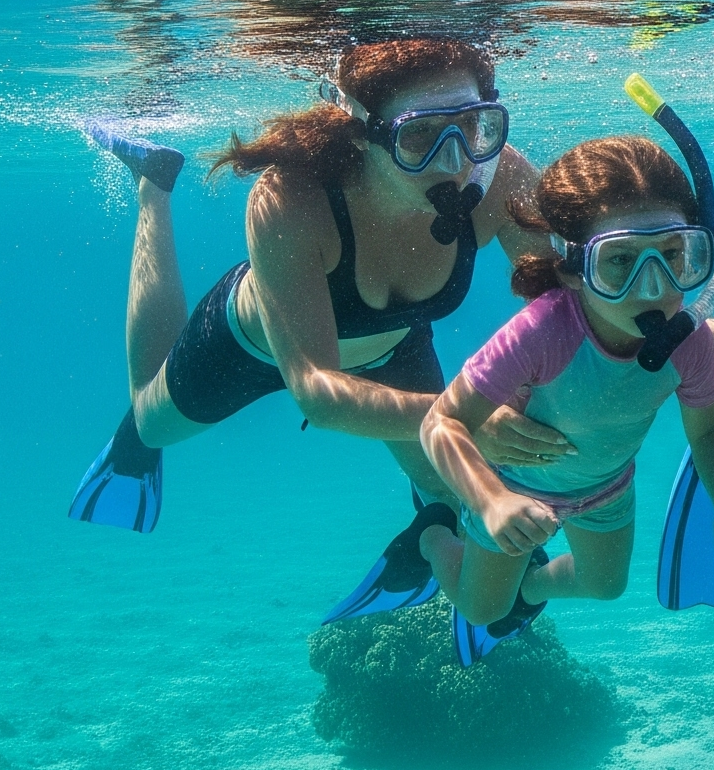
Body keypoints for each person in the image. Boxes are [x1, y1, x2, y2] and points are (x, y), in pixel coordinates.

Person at [70, 37, 563, 532]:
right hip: (254, 347)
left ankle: (430, 536)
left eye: (473, 126)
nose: (455, 162)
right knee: (147, 426)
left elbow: (570, 302)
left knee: (449, 489)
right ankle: (153, 184)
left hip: (395, 344)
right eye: (419, 136)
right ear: (357, 134)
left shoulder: (500, 176)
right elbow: (317, 393)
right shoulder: (290, 198)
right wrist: (466, 417)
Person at [412, 129, 714, 635]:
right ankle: (431, 532)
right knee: (480, 609)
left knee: (604, 586)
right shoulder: (543, 331)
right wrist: (490, 502)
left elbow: (711, 432)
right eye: (620, 261)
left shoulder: (690, 342)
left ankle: (530, 588)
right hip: (513, 485)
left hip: (607, 489)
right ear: (575, 267)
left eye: (672, 256)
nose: (653, 288)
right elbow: (441, 424)